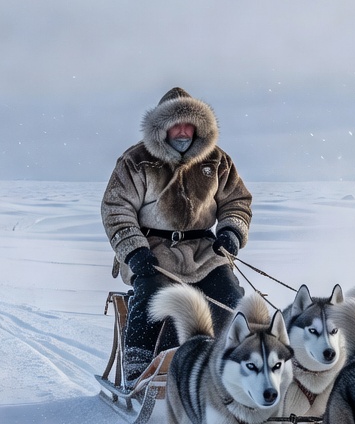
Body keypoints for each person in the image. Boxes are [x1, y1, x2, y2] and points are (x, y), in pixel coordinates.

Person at [101, 87, 252, 386]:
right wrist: (134, 250)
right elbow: (116, 209)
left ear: (199, 127)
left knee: (230, 299)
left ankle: (230, 362)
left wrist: (231, 232)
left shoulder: (217, 160)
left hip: (204, 252)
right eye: (175, 124)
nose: (183, 131)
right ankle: (138, 364)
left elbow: (237, 201)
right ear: (161, 127)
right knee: (154, 296)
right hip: (153, 251)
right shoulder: (136, 161)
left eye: (189, 124)